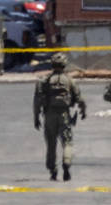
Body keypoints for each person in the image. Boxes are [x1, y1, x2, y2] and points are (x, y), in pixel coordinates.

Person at [32, 53, 86, 181]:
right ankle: (66, 162)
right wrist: (83, 111)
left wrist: (36, 117)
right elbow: (79, 99)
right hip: (64, 114)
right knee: (67, 142)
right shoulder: (69, 80)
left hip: (49, 115)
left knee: (51, 144)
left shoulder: (44, 81)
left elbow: (37, 101)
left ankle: (53, 170)